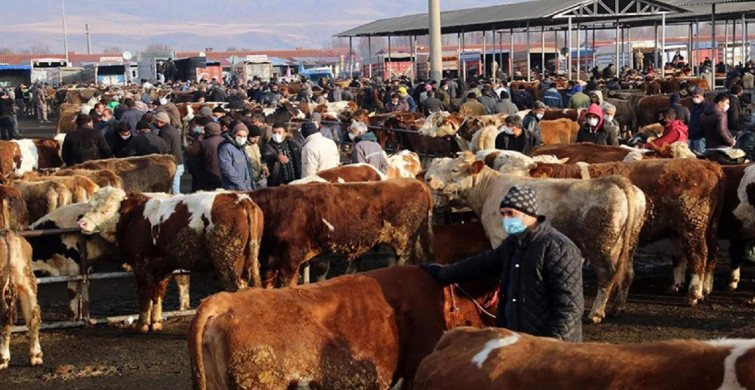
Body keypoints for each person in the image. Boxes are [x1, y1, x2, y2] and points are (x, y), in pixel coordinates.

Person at [421, 185, 584, 342]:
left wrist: (553, 345)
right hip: (517, 340)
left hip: (545, 346)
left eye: (510, 214)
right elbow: (482, 263)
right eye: (503, 214)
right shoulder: (513, 244)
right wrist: (443, 273)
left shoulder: (558, 248)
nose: (505, 219)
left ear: (529, 213)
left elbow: (569, 307)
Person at [154, 112, 184, 194]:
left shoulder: (164, 132)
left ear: (160, 121)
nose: (155, 122)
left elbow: (166, 148)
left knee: (174, 191)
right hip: (179, 161)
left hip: (173, 164)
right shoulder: (172, 129)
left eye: (156, 120)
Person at [218, 123, 254, 191]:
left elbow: (248, 169)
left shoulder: (242, 149)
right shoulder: (226, 148)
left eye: (244, 136)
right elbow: (227, 169)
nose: (242, 138)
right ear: (234, 135)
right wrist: (240, 184)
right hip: (233, 189)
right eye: (239, 135)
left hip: (246, 188)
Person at [688, 87, 707, 153]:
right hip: (693, 136)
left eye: (697, 96)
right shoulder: (695, 106)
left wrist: (699, 131)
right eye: (693, 97)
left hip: (700, 137)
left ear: (702, 96)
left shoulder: (705, 107)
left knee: (700, 155)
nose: (695, 98)